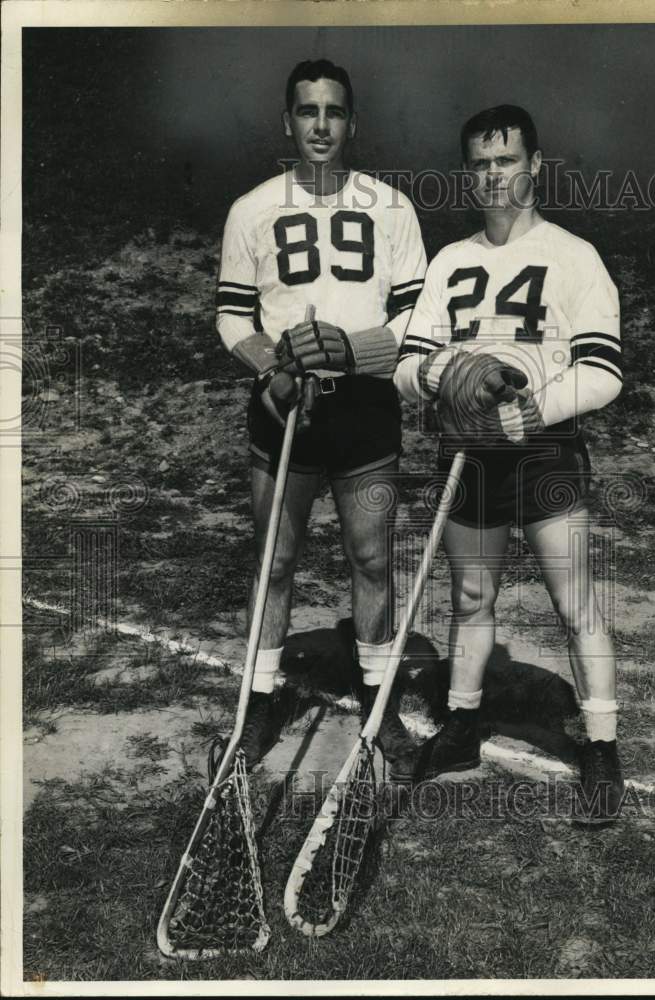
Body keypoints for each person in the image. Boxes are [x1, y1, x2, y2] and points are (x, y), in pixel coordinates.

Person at [394, 105, 624, 822]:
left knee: (574, 601)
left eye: (506, 160)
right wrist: (440, 378)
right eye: (481, 163)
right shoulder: (451, 261)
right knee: (470, 599)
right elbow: (405, 364)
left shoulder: (573, 255)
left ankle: (600, 745)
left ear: (534, 165)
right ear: (469, 173)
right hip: (468, 453)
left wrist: (534, 408)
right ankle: (461, 723)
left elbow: (605, 370)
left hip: (544, 452)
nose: (494, 175)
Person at [215, 59, 426, 780]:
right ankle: (259, 707)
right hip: (284, 412)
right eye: (307, 112)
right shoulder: (251, 209)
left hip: (364, 411)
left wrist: (350, 349)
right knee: (274, 563)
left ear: (352, 122)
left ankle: (378, 703)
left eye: (333, 112)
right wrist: (269, 369)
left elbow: (416, 317)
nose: (320, 126)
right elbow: (231, 313)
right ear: (287, 121)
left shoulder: (393, 207)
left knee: (371, 558)